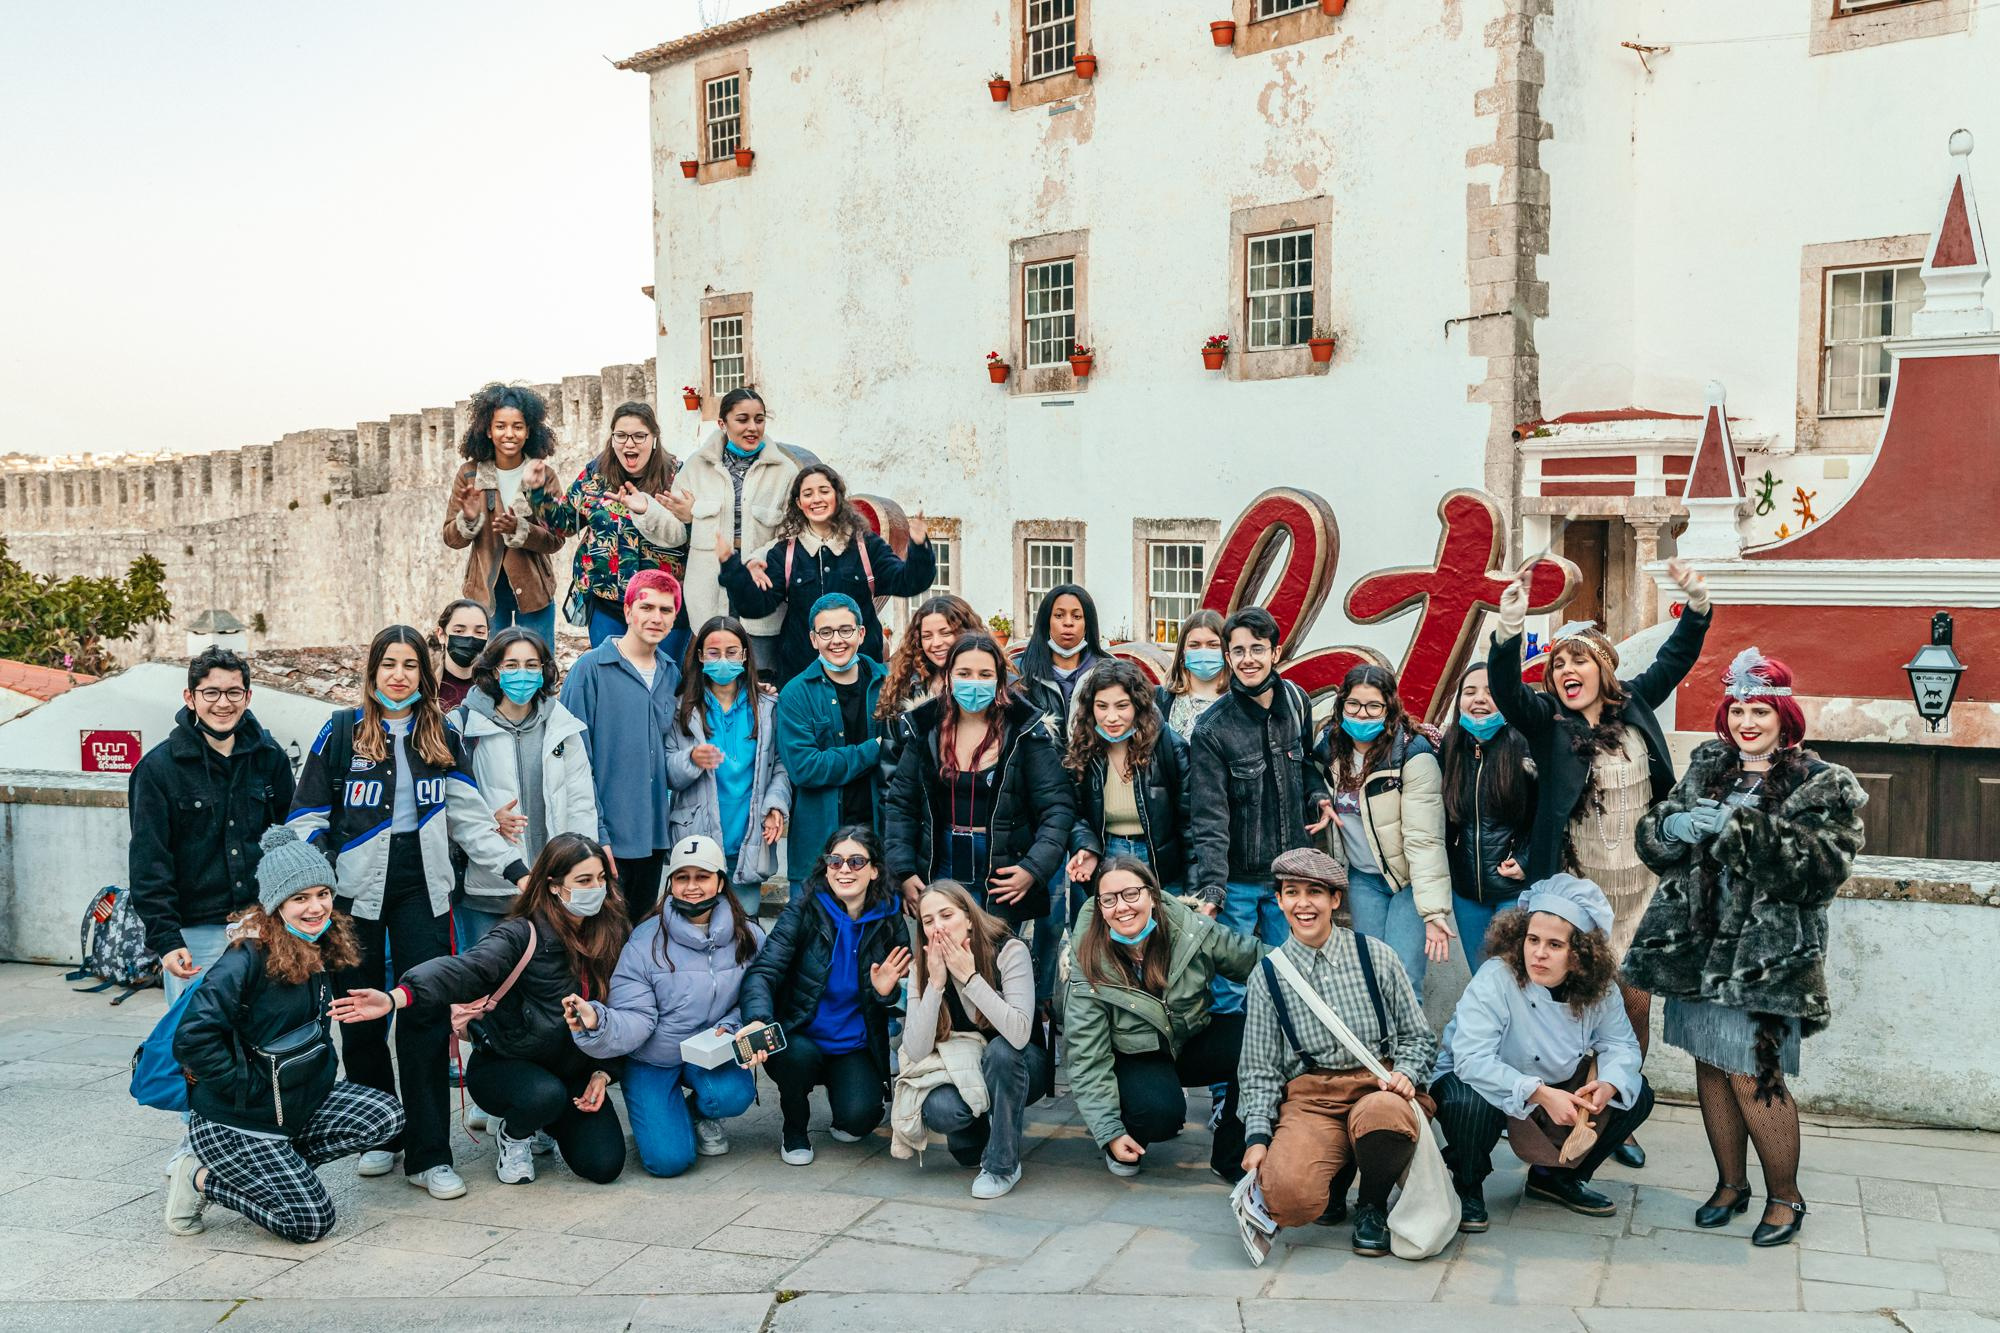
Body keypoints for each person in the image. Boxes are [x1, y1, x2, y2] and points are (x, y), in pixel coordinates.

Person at [1624, 648, 1866, 1247]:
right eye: (1737, 709)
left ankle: (1787, 1196)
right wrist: (1670, 827)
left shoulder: (1822, 782)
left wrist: (1737, 829)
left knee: (1756, 1075)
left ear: (1785, 716)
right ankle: (1731, 1184)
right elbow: (1656, 832)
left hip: (1764, 961)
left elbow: (1821, 870)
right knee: (1710, 1067)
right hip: (1694, 949)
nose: (1746, 722)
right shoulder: (1709, 764)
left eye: (1760, 710)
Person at [287, 624, 529, 1199]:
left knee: (424, 1017)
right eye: (389, 664)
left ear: (425, 673)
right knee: (359, 1017)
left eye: (411, 665)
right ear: (372, 671)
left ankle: (429, 1154)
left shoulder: (442, 732)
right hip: (351, 897)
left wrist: (519, 872)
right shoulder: (339, 731)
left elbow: (470, 819)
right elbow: (305, 816)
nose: (399, 675)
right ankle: (379, 1133)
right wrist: (318, 877)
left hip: (424, 890)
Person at [1491, 556, 1711, 1169]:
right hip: (1579, 893)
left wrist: (1697, 607)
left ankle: (1615, 1114)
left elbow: (1676, 658)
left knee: (1633, 1009)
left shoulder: (1634, 706)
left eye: (1579, 660)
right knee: (1578, 1006)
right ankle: (1562, 1117)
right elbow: (1507, 691)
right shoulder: (1547, 724)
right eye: (1559, 664)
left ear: (1604, 669)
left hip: (1643, 888)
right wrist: (1509, 630)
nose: (1568, 671)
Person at [332, 833, 631, 1187]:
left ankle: (546, 1124)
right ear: (553, 885)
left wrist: (604, 1073)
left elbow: (629, 1010)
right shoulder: (521, 933)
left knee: (604, 1165)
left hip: (575, 1069)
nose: (595, 889)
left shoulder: (614, 932)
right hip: (509, 1065)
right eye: (583, 880)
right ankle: (515, 1134)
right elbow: (465, 970)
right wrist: (396, 997)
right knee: (543, 1096)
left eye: (601, 879)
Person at [162, 827, 404, 1242]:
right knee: (310, 1223)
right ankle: (201, 1178)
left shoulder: (319, 944)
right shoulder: (244, 959)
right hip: (236, 1119)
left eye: (323, 894)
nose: (316, 907)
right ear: (277, 904)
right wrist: (245, 1089)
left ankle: (278, 1170)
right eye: (300, 898)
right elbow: (191, 1038)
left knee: (385, 1117)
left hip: (292, 1103)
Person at [1238, 848, 1438, 1257]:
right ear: (1279, 901)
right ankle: (1334, 1173)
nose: (1303, 904)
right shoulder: (1267, 976)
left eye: (1315, 892)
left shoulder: (1376, 956)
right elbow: (1259, 1069)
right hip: (1312, 1097)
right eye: (1292, 892)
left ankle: (1372, 1204)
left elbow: (1419, 1037)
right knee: (1286, 1197)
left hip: (1377, 1087)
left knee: (1383, 1117)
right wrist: (1256, 1137)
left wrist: (1406, 1072)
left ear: (1335, 899)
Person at [1431, 874, 1655, 1232]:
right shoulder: (1496, 977)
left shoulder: (1600, 989)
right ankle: (1467, 1184)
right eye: (1532, 939)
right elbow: (1472, 1059)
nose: (1538, 953)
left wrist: (1609, 1084)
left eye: (1554, 945)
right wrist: (1540, 1094)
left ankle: (1555, 1178)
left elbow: (1621, 1045)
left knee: (1637, 1094)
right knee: (1464, 1102)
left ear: (1579, 953)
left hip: (1556, 1081)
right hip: (1484, 1081)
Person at [568, 835, 764, 1177]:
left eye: (702, 876)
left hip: (711, 1052)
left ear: (720, 881)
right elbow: (634, 1016)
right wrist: (597, 1021)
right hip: (653, 1057)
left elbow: (759, 993)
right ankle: (665, 1118)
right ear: (670, 883)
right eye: (682, 877)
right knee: (668, 1162)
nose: (692, 887)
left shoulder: (749, 935)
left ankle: (699, 1114)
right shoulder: (645, 941)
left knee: (733, 1094)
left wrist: (735, 1024)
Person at [1064, 858, 1263, 1181]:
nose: (1121, 907)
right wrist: (1109, 1131)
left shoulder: (1189, 929)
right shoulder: (1088, 958)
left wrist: (1313, 967)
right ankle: (1126, 1134)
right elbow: (1086, 1056)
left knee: (1260, 1043)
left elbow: (1253, 959)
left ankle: (1231, 1157)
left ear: (1152, 896)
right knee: (1160, 1115)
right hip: (1134, 1054)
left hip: (1189, 1036)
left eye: (1131, 894)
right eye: (1109, 899)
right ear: (1100, 907)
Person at [130, 646, 297, 1012]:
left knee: (263, 1032)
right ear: (190, 698)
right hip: (194, 935)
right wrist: (167, 940)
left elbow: (291, 843)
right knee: (198, 1035)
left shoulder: (270, 758)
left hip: (263, 926)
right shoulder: (158, 769)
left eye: (233, 692)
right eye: (211, 693)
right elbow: (149, 863)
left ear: (247, 697)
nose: (223, 703)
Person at [1187, 606, 1335, 1011]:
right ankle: (1231, 1054)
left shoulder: (1297, 702)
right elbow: (1209, 817)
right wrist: (1213, 887)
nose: (1247, 659)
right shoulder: (1212, 729)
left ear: (1275, 652)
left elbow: (1306, 764)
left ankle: (1284, 1050)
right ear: (1228, 656)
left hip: (1291, 874)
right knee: (1230, 987)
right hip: (1238, 880)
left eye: (1257, 649)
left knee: (1292, 978)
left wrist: (1318, 795)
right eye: (1238, 651)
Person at [740, 826, 910, 1165]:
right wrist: (758, 1019)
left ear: (875, 871)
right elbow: (763, 971)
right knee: (797, 1060)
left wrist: (888, 994)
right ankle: (794, 1127)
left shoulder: (890, 918)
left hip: (852, 1044)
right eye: (835, 861)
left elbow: (905, 996)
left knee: (858, 1122)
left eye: (856, 861)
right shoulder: (805, 908)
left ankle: (842, 1092)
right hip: (800, 1034)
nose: (844, 869)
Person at [884, 631, 1075, 931]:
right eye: (964, 673)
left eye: (985, 674)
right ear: (949, 677)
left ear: (999, 681)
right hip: (940, 860)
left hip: (1001, 868)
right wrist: (904, 871)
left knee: (997, 953)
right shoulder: (925, 728)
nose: (974, 682)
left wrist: (1033, 867)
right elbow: (900, 805)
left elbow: (1057, 807)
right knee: (944, 948)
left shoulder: (1025, 732)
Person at [717, 462, 936, 686]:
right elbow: (756, 606)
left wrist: (919, 547)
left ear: (837, 496)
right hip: (803, 678)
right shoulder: (785, 553)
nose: (816, 499)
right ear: (799, 503)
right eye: (808, 494)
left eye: (824, 491)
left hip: (861, 678)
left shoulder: (866, 546)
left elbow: (908, 582)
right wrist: (732, 567)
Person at [893, 881, 1047, 1199]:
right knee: (941, 1111)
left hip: (1019, 1065)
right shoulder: (924, 964)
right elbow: (916, 1050)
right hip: (963, 1067)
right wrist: (936, 984)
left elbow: (1019, 1034)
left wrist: (970, 978)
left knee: (1001, 1051)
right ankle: (979, 1134)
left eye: (946, 915)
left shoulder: (1009, 950)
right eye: (928, 921)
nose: (938, 927)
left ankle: (1002, 1165)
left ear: (968, 918)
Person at [450, 628, 599, 948]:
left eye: (532, 665)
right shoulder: (463, 726)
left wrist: (581, 872)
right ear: (494, 671)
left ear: (544, 670)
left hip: (552, 890)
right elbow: (456, 809)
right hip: (488, 893)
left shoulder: (562, 724)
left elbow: (581, 803)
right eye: (512, 665)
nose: (523, 674)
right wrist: (491, 819)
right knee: (485, 977)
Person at [1315, 663, 1453, 1003]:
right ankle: (1378, 1041)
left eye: (1373, 706)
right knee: (1371, 975)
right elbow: (1305, 771)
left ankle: (1410, 1040)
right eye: (1353, 704)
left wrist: (1432, 911)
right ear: (1341, 705)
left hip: (1407, 881)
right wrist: (1316, 796)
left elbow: (1425, 839)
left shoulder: (1413, 755)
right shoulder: (1331, 747)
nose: (1362, 714)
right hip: (1364, 878)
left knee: (1403, 978)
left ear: (1389, 708)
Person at [560, 568, 684, 923]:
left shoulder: (671, 674)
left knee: (639, 937)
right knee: (599, 939)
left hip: (653, 838)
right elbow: (573, 761)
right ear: (628, 611)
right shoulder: (590, 671)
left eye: (666, 610)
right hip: (605, 839)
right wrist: (595, 835)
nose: (656, 617)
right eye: (647, 607)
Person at [524, 399, 689, 650]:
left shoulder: (678, 477)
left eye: (639, 436)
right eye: (621, 436)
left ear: (654, 438)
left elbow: (693, 532)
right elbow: (563, 525)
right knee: (610, 670)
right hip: (607, 602)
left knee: (666, 673)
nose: (629, 443)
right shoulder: (594, 476)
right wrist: (538, 493)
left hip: (663, 605)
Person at [666, 617, 792, 920]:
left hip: (749, 837)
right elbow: (667, 772)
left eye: (732, 652)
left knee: (744, 925)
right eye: (713, 652)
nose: (723, 660)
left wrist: (776, 804)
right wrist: (691, 759)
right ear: (700, 656)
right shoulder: (681, 709)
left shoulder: (768, 706)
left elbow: (781, 766)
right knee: (695, 923)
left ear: (745, 655)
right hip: (697, 834)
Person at [666, 388, 801, 667]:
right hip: (709, 586)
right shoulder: (696, 467)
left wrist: (757, 558)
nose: (753, 427)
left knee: (761, 671)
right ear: (722, 423)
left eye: (759, 419)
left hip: (760, 584)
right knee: (712, 670)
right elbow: (674, 532)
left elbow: (792, 533)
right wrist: (649, 512)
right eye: (742, 419)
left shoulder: (785, 471)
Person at [775, 594, 891, 902]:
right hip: (817, 852)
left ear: (861, 633)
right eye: (826, 632)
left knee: (877, 931)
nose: (836, 640)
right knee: (812, 931)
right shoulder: (796, 694)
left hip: (878, 847)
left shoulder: (888, 685)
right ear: (813, 639)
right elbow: (805, 768)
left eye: (845, 630)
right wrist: (873, 750)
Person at [442, 383, 563, 649]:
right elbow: (451, 538)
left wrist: (521, 529)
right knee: (487, 666)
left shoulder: (543, 475)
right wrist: (469, 519)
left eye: (517, 426)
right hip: (485, 593)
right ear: (488, 430)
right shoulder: (469, 474)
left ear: (528, 431)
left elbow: (556, 539)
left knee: (539, 663)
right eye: (500, 426)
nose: (509, 434)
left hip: (535, 593)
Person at [1064, 658, 1191, 893]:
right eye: (1102, 706)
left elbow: (1189, 822)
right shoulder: (1084, 749)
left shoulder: (1169, 746)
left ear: (1138, 705)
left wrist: (1194, 888)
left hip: (1162, 862)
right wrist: (1087, 847)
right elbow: (1073, 813)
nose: (1111, 717)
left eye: (1122, 706)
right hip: (1106, 855)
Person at [1439, 662, 1536, 964]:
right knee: (1481, 976)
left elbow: (1551, 813)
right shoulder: (1451, 746)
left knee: (1512, 976)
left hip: (1513, 889)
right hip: (1466, 892)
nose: (1479, 698)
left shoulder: (1526, 745)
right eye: (1470, 691)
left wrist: (1527, 859)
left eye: (1491, 692)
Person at [1016, 584, 1104, 739]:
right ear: (1046, 622)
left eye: (1077, 616)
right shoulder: (1019, 670)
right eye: (1059, 615)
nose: (1068, 622)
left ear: (1087, 625)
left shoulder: (1107, 671)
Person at [877, 594, 987, 720]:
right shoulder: (907, 681)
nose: (936, 643)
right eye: (927, 636)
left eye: (946, 633)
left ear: (967, 633)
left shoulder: (992, 680)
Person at [1156, 608, 1228, 742]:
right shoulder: (1160, 700)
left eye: (1213, 645)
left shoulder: (1239, 702)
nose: (1204, 651)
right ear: (1183, 651)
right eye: (1194, 645)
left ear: (1226, 650)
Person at [433, 598, 491, 712]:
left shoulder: (497, 686)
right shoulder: (425, 684)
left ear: (487, 636)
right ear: (441, 635)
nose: (469, 638)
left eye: (479, 632)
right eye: (459, 631)